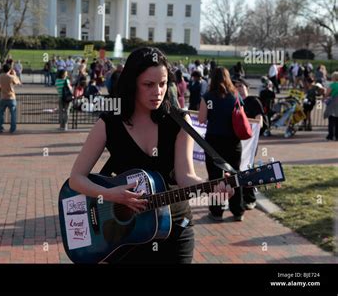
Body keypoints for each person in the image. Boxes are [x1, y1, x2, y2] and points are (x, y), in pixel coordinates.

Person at [69, 47, 233, 263]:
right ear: (132, 84)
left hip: (175, 227)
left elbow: (185, 177)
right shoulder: (108, 123)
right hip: (125, 234)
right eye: (148, 84)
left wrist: (212, 187)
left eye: (163, 84)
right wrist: (111, 195)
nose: (158, 91)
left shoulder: (179, 121)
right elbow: (76, 179)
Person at [198, 67, 245, 222]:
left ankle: (217, 211)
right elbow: (241, 115)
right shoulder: (235, 96)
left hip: (214, 141)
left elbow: (201, 119)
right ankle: (238, 210)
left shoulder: (208, 97)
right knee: (234, 174)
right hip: (233, 140)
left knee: (214, 177)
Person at [233, 77, 263, 210]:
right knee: (236, 169)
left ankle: (250, 199)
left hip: (249, 142)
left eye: (241, 85)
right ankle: (238, 198)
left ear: (247, 87)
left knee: (247, 169)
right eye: (236, 86)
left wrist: (249, 126)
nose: (239, 88)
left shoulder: (253, 101)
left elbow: (259, 121)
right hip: (236, 142)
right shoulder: (234, 103)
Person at [0, 64, 20, 133]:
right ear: (9, 69)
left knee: (1, 113)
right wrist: (15, 74)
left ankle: (0, 127)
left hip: (3, 96)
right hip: (11, 97)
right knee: (13, 114)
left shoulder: (0, 76)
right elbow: (18, 83)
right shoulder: (11, 77)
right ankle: (12, 129)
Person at [324, 72, 338, 141]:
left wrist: (324, 98)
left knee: (331, 121)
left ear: (334, 78)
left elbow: (327, 94)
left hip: (333, 104)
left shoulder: (332, 85)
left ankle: (330, 135)